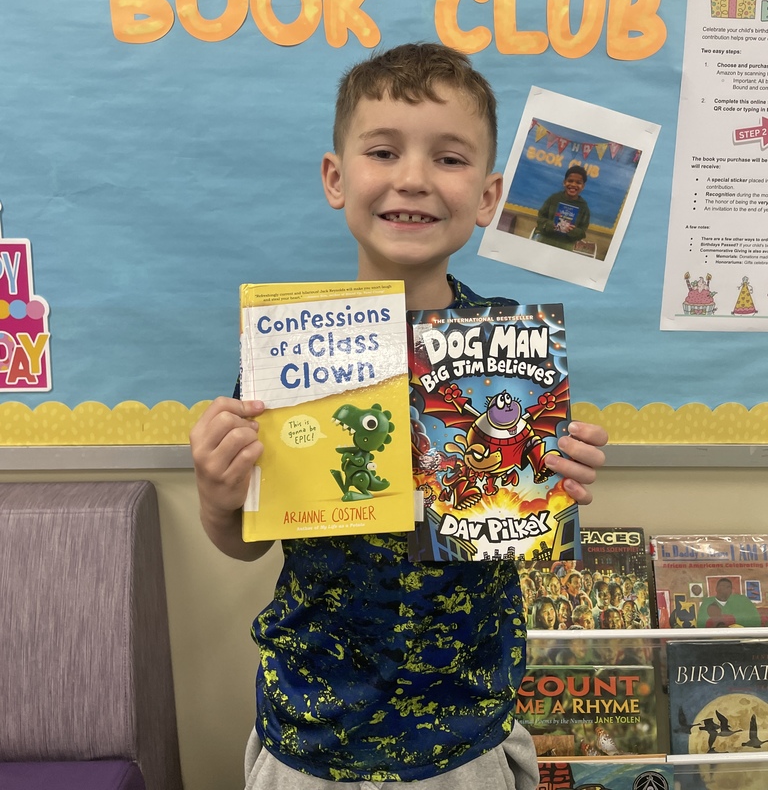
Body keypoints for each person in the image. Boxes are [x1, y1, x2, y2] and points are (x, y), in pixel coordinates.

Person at [190, 43, 608, 790]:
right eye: (383, 151)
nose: (412, 178)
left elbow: (517, 515)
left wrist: (558, 475)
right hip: (311, 737)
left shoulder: (512, 350)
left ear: (487, 196)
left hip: (465, 740)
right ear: (336, 177)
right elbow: (245, 543)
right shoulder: (290, 351)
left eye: (449, 159)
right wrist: (220, 500)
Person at [533, 164, 590, 250]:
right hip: (545, 241)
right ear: (564, 182)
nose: (573, 185)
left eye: (578, 183)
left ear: (583, 186)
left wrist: (574, 231)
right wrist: (549, 225)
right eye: (570, 181)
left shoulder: (583, 207)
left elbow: (582, 232)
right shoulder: (554, 199)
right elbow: (540, 217)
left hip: (566, 246)